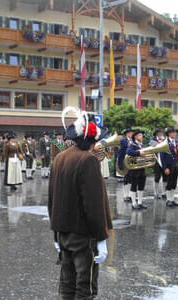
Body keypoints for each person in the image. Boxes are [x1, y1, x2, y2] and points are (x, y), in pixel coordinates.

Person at [48, 107, 112, 300]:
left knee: (67, 284)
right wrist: (101, 237)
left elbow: (52, 198)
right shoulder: (88, 160)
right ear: (93, 140)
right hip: (84, 235)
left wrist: (55, 233)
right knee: (85, 287)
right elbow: (93, 205)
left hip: (63, 232)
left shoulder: (60, 157)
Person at [126, 129, 148, 210]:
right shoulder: (132, 144)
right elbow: (128, 151)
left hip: (141, 168)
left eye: (141, 135)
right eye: (139, 135)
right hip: (134, 168)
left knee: (141, 185)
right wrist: (138, 153)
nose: (141, 136)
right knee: (134, 185)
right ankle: (134, 203)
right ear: (135, 136)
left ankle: (140, 202)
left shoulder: (142, 145)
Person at [160, 127, 178, 208]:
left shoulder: (176, 142)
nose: (174, 134)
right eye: (172, 132)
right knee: (169, 183)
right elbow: (162, 156)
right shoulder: (165, 142)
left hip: (176, 164)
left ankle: (172, 199)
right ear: (168, 134)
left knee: (174, 183)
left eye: (175, 132)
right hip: (168, 165)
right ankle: (168, 200)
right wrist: (165, 168)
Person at [117, 128, 134, 202]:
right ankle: (125, 195)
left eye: (132, 133)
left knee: (131, 179)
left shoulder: (134, 141)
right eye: (130, 133)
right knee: (126, 179)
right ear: (127, 134)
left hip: (132, 162)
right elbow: (120, 153)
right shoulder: (123, 141)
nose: (131, 134)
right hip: (125, 161)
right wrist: (120, 164)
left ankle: (130, 195)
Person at [150, 127, 166, 199]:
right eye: (159, 132)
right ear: (156, 133)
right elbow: (156, 147)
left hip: (164, 160)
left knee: (165, 177)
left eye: (161, 132)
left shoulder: (165, 139)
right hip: (156, 160)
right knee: (157, 177)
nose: (161, 133)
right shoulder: (152, 140)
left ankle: (164, 192)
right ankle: (155, 192)